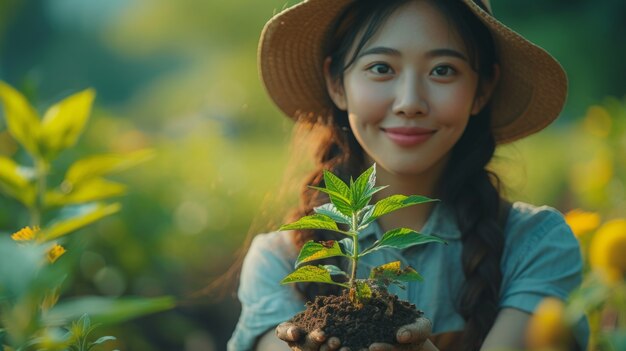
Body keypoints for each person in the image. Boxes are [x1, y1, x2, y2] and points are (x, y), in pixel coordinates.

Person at [228, 0, 588, 350]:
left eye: (443, 69)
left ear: (482, 89)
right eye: (382, 68)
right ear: (337, 83)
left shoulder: (536, 246)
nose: (410, 101)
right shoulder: (280, 263)